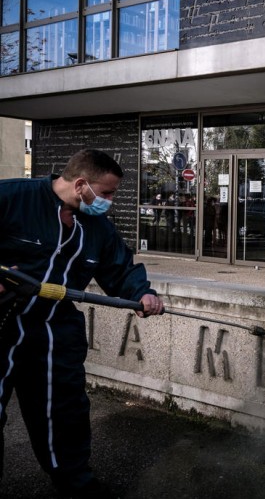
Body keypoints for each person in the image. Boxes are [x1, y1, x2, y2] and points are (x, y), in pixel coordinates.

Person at [0, 149, 164, 498]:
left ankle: (75, 482)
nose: (110, 202)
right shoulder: (12, 197)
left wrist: (142, 294)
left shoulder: (97, 227)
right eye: (106, 193)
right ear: (80, 184)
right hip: (1, 323)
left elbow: (119, 268)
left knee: (65, 411)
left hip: (53, 329)